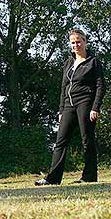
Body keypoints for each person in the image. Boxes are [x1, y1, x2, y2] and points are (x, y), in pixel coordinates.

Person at [35, 29, 106, 186]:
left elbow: (101, 86)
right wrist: (61, 110)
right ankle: (52, 179)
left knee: (87, 139)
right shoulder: (68, 62)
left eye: (78, 41)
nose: (76, 45)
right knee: (60, 141)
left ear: (85, 41)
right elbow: (63, 87)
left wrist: (96, 107)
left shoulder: (93, 62)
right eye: (73, 42)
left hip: (86, 102)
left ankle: (89, 177)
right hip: (68, 104)